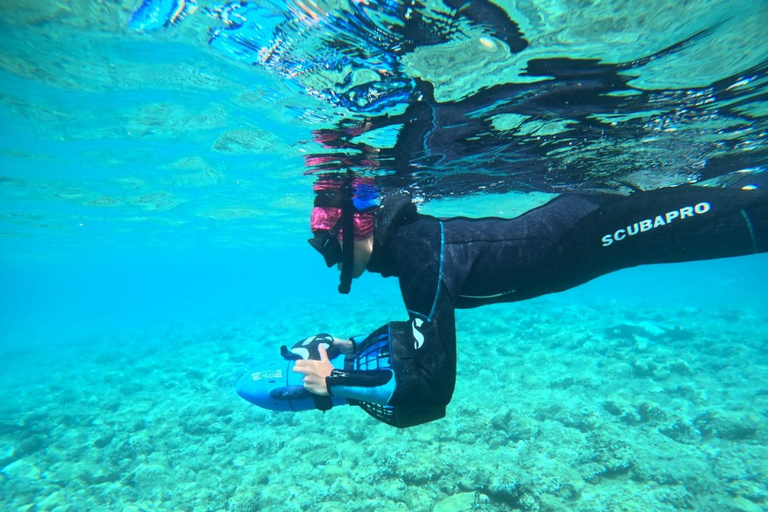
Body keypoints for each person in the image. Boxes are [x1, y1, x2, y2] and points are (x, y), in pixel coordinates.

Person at [286, 172, 767, 427]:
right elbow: (419, 343)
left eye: (327, 239)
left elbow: (430, 385)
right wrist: (349, 348)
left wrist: (338, 381)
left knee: (744, 216)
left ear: (358, 225)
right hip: (584, 230)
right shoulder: (411, 252)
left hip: (588, 232)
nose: (327, 255)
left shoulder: (417, 252)